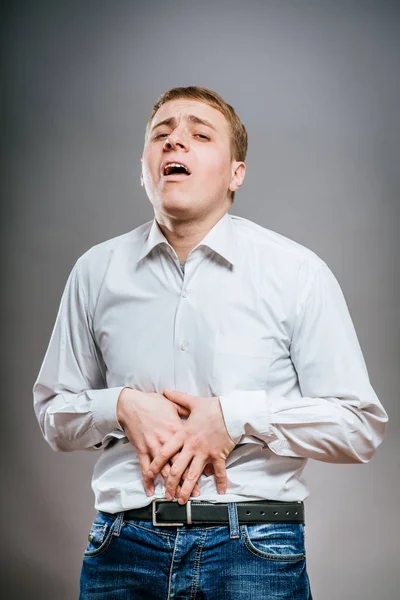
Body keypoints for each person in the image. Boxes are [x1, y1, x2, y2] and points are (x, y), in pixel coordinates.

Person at [33, 86, 388, 599]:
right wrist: (121, 406)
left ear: (236, 174)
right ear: (143, 168)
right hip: (120, 551)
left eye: (199, 134)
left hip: (255, 551)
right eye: (162, 134)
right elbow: (52, 415)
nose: (176, 141)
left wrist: (234, 419)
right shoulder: (95, 272)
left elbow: (359, 426)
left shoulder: (297, 273)